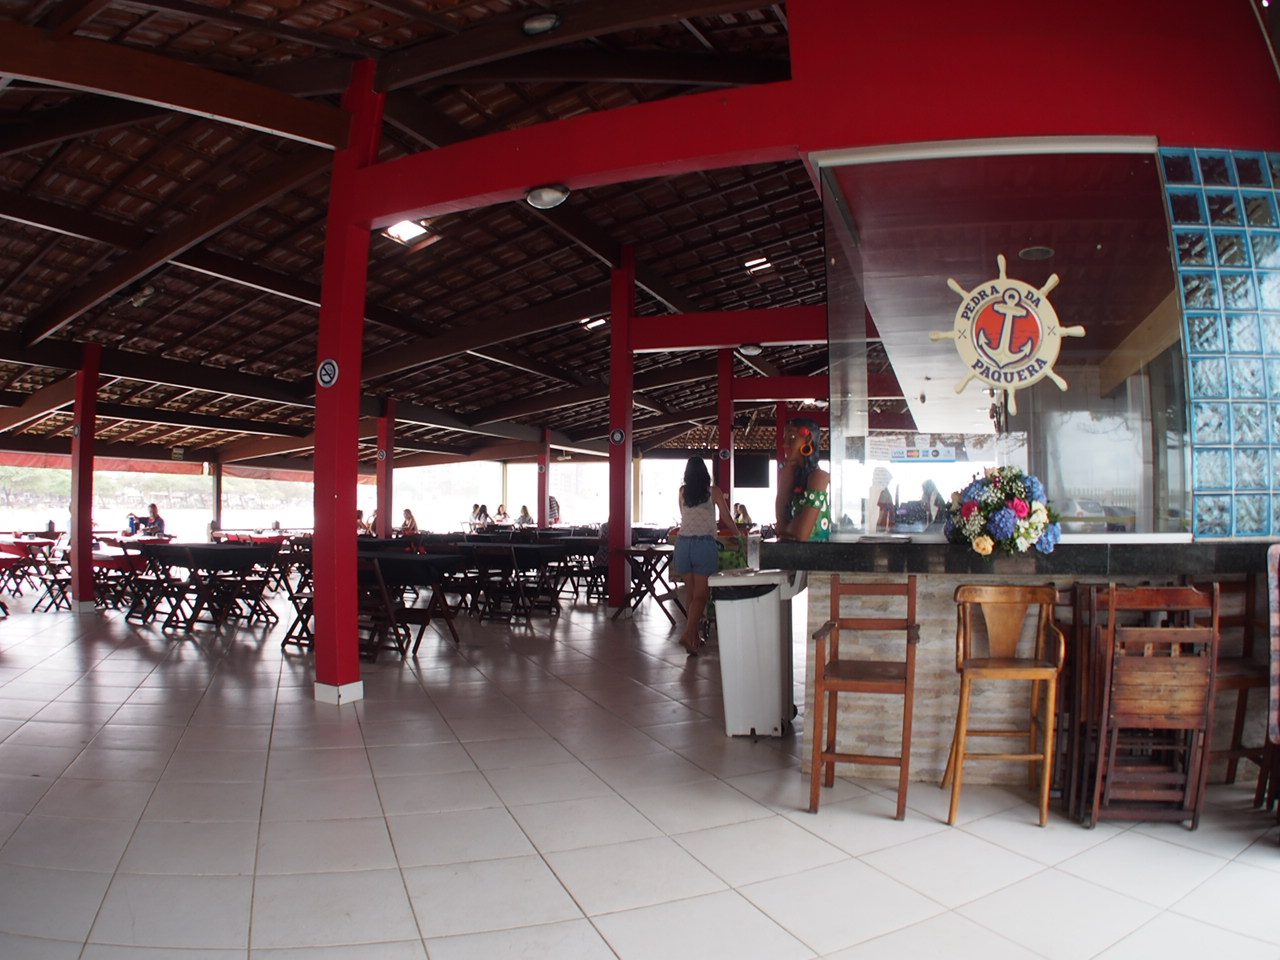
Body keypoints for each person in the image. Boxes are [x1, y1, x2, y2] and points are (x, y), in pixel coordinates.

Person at [673, 456, 740, 656]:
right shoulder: (714, 492)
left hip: (683, 544)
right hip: (703, 545)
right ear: (705, 473)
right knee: (701, 596)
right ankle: (688, 634)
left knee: (691, 594)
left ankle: (693, 638)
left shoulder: (682, 491)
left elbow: (684, 515)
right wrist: (738, 534)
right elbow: (726, 517)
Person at [775, 417, 831, 541]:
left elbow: (801, 534)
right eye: (785, 439)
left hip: (815, 552)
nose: (785, 445)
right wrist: (789, 467)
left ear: (808, 438)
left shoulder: (819, 477)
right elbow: (779, 527)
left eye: (792, 437)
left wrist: (787, 529)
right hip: (794, 552)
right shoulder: (793, 475)